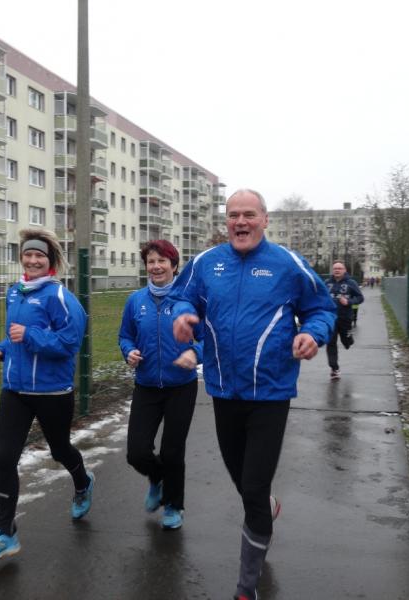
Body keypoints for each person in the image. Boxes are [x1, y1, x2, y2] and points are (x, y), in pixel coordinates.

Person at [170, 189, 335, 600]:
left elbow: (321, 308)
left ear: (264, 219)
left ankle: (246, 587)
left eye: (248, 214)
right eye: (233, 215)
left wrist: (312, 334)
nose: (240, 222)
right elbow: (181, 297)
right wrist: (183, 316)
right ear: (225, 221)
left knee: (254, 490)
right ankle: (265, 506)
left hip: (270, 393)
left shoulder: (287, 263)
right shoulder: (206, 263)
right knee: (243, 481)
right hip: (224, 390)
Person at [0, 228, 93, 562]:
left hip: (52, 391)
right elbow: (14, 335)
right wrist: (2, 348)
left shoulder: (60, 297)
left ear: (50, 261)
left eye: (39, 255)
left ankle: (83, 482)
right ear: (21, 258)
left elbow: (70, 343)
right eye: (28, 254)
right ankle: (5, 533)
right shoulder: (15, 293)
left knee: (59, 449)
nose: (33, 260)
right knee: (4, 458)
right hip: (15, 390)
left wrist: (29, 336)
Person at [118, 240, 203, 530]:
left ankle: (174, 506)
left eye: (162, 261)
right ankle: (157, 477)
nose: (156, 267)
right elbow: (125, 335)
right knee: (136, 453)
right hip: (147, 385)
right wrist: (128, 351)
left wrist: (195, 353)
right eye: (151, 262)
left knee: (172, 451)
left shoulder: (187, 301)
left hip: (181, 386)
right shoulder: (135, 301)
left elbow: (208, 339)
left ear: (174, 266)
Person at [324, 261, 364, 380]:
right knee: (330, 342)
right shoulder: (327, 283)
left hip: (345, 317)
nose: (337, 270)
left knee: (346, 341)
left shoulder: (351, 283)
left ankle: (348, 340)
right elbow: (320, 296)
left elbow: (360, 297)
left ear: (344, 270)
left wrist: (349, 302)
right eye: (335, 268)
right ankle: (334, 368)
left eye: (339, 268)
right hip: (330, 318)